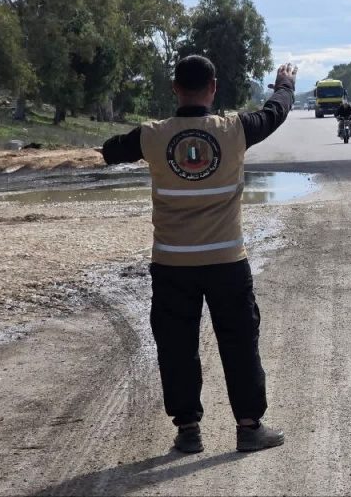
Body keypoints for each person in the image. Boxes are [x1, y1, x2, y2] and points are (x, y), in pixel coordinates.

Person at [99, 55, 297, 454]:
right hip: (227, 262)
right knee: (239, 342)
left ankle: (188, 431)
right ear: (213, 88)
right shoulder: (235, 130)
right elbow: (274, 113)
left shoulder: (152, 136)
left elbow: (110, 151)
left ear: (175, 88)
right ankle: (249, 428)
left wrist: (120, 145)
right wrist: (284, 84)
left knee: (177, 346)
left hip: (172, 264)